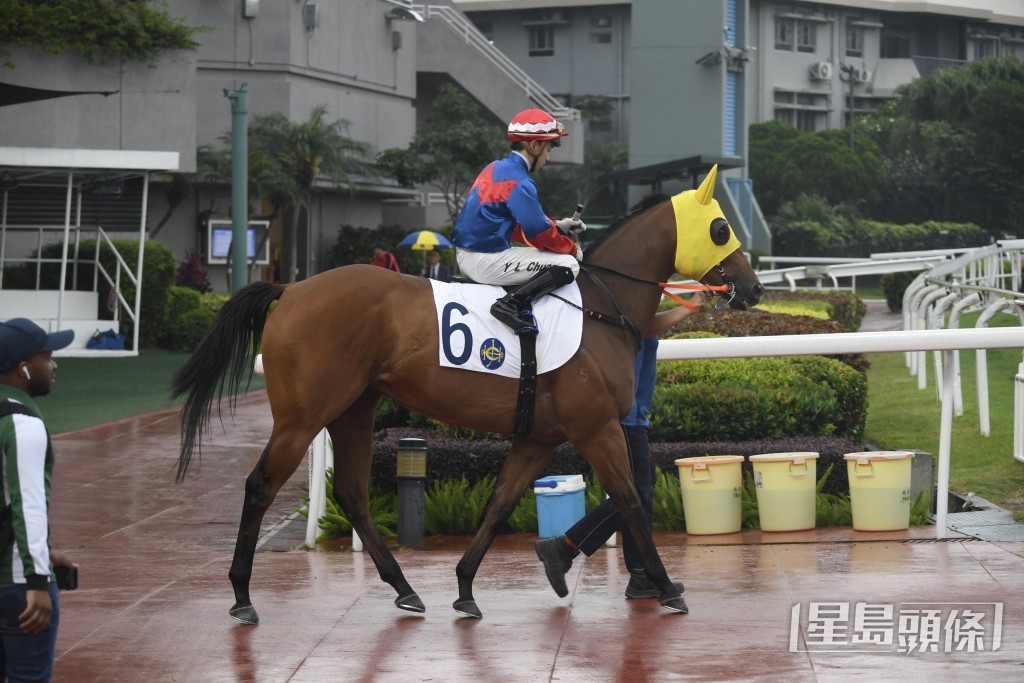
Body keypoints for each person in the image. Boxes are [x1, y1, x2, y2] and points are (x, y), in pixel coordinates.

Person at [535, 292, 710, 599]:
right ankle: (564, 547)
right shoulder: (625, 310)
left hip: (633, 419)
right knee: (632, 499)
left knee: (640, 497)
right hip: (625, 422)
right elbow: (650, 327)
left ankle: (640, 575)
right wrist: (692, 305)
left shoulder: (627, 306)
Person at [453, 108, 586, 335]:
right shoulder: (521, 181)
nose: (548, 157)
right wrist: (572, 249)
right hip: (485, 260)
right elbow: (537, 233)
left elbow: (510, 225)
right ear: (534, 146)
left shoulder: (494, 168)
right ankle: (511, 304)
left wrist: (557, 225)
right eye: (549, 148)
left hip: (470, 254)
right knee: (569, 264)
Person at [0, 318, 78, 682]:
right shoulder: (22, 422)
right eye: (47, 357)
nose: (54, 365)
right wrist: (36, 577)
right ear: (23, 369)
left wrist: (44, 549)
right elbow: (26, 503)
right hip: (17, 585)